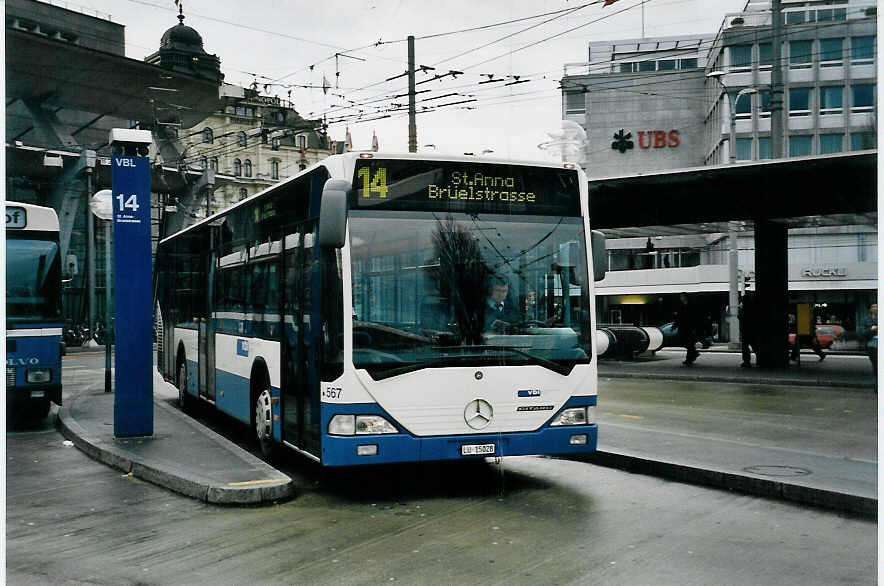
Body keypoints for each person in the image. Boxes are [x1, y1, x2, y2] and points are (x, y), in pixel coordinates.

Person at [673, 292, 700, 365]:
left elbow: (694, 316)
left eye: (682, 296)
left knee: (689, 342)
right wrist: (674, 326)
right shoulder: (681, 306)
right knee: (684, 342)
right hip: (683, 326)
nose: (681, 298)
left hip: (689, 327)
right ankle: (694, 353)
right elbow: (679, 317)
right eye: (680, 297)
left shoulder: (691, 305)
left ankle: (689, 358)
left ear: (686, 297)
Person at [737, 290, 757, 367]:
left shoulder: (745, 309)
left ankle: (746, 361)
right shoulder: (753, 308)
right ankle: (761, 358)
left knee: (745, 346)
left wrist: (740, 309)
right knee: (754, 345)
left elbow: (740, 317)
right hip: (752, 330)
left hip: (746, 330)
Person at [859, 302, 877, 375]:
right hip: (872, 343)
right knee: (876, 364)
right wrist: (871, 330)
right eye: (874, 307)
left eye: (878, 306)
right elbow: (862, 332)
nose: (876, 308)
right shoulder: (865, 320)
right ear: (870, 309)